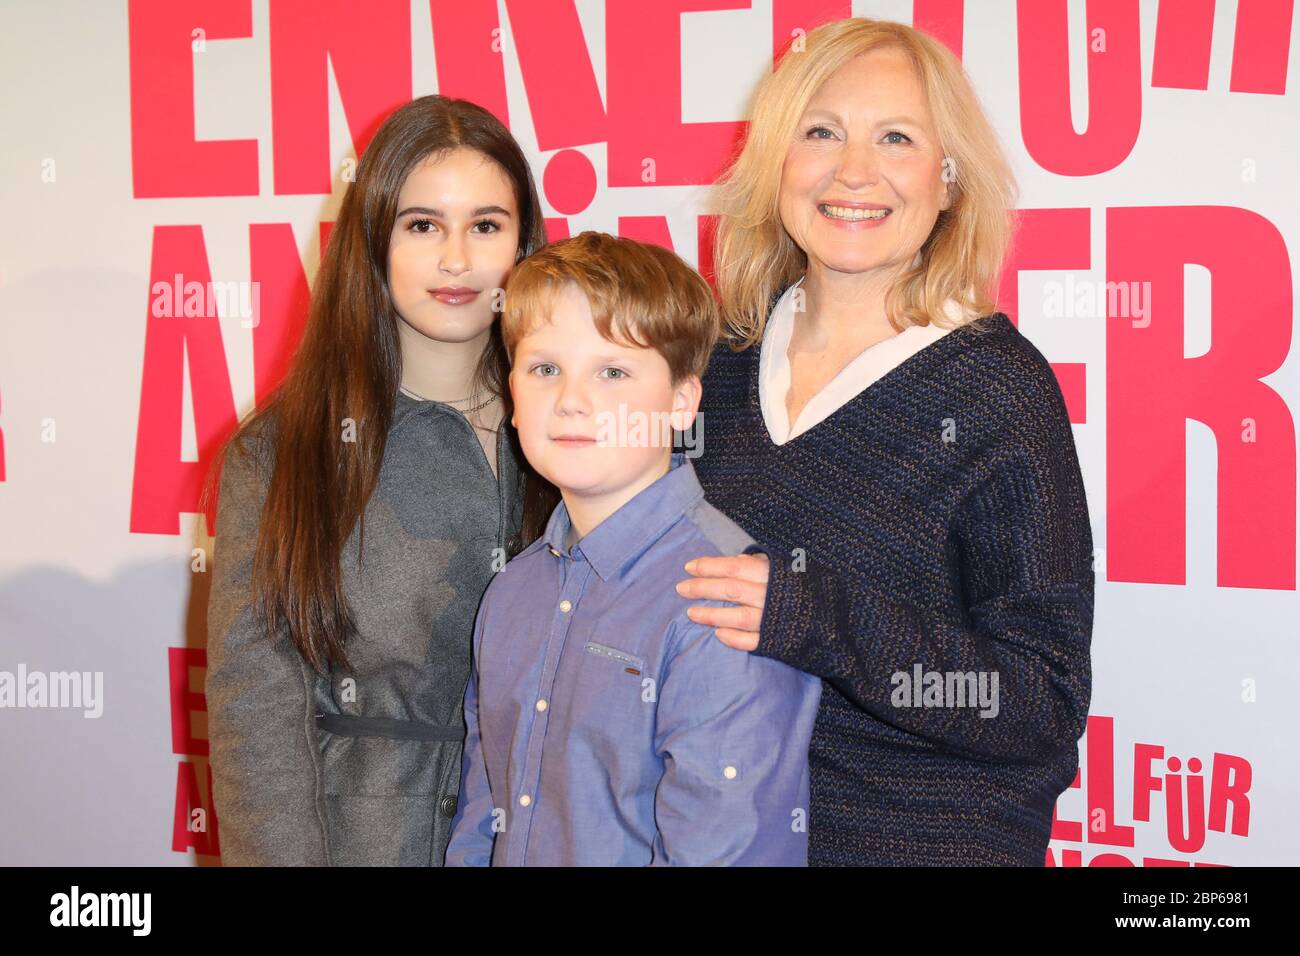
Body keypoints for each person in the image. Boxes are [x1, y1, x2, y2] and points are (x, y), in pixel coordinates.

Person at [677, 17, 1094, 864]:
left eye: (895, 138)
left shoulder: (997, 389)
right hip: (720, 842)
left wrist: (816, 615)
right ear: (777, 165)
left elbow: (1039, 701)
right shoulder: (715, 365)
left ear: (947, 180)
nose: (853, 172)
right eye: (821, 132)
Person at [203, 95, 557, 866]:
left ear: (525, 244)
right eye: (423, 225)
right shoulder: (283, 453)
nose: (457, 259)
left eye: (486, 226)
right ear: (374, 241)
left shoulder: (579, 437)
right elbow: (257, 716)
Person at [444, 232, 822, 866]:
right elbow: (483, 818)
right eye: (544, 369)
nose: (571, 400)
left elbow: (725, 852)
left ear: (681, 402)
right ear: (512, 397)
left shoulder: (723, 600)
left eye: (612, 371)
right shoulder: (510, 593)